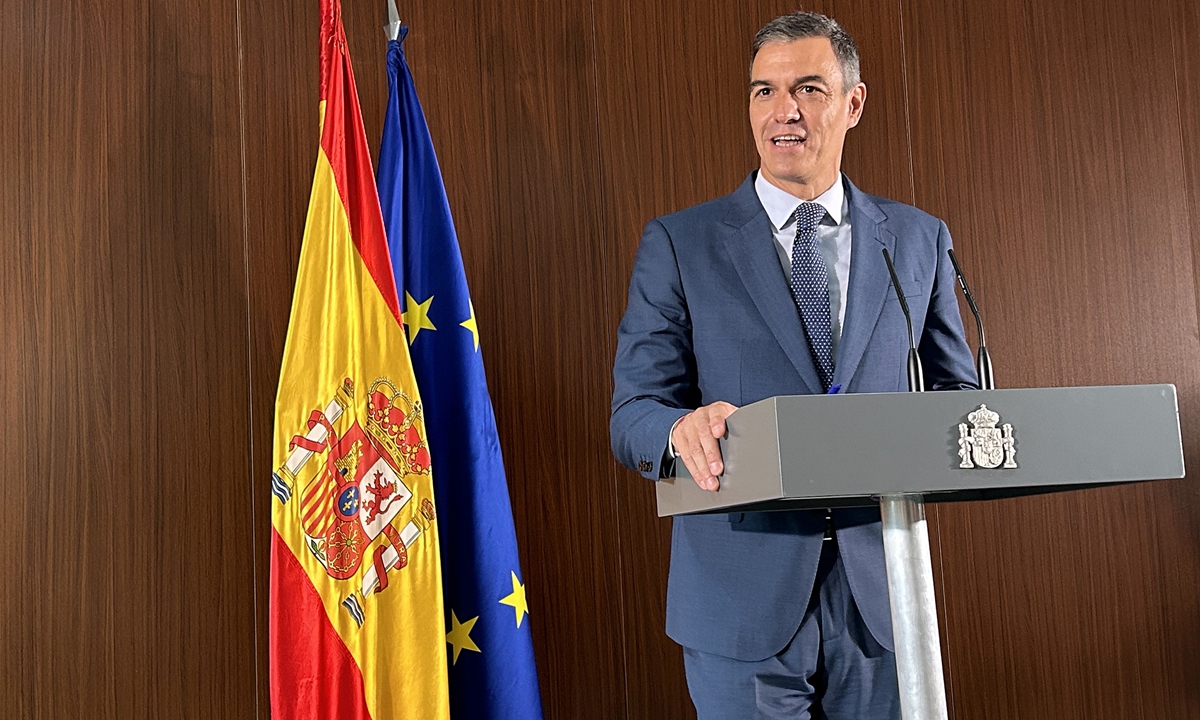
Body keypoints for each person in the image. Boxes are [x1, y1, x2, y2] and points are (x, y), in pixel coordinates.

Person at [609, 11, 978, 719]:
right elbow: (633, 415)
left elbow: (957, 399)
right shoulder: (681, 245)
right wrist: (679, 427)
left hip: (883, 597)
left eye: (808, 89)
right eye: (763, 92)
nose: (784, 112)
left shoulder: (919, 239)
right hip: (738, 603)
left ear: (852, 103)